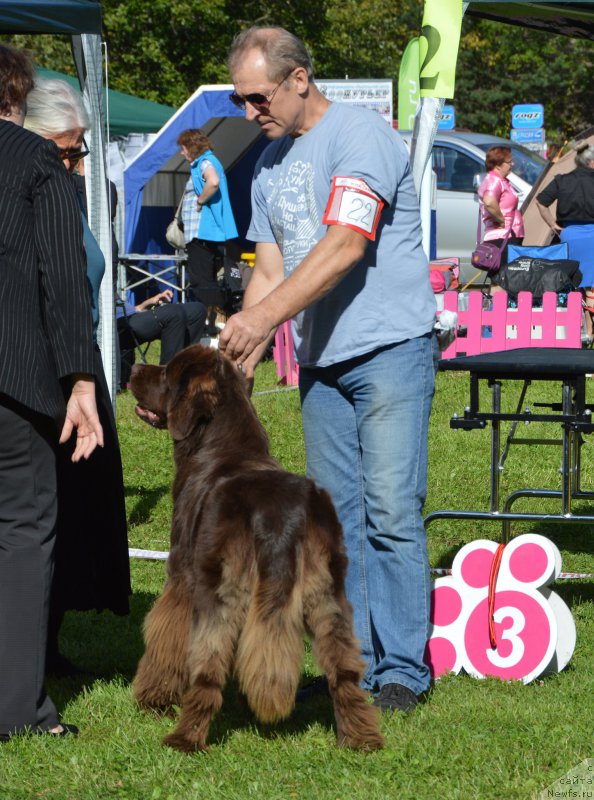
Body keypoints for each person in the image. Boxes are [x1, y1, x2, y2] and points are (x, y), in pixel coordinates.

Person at [220, 27, 438, 713]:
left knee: (393, 512)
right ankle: (354, 665)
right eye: (240, 99)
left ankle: (403, 668)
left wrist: (263, 320)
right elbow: (272, 267)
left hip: (390, 349)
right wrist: (237, 361)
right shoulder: (268, 163)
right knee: (336, 524)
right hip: (322, 362)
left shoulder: (360, 137)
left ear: (300, 79)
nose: (249, 111)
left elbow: (345, 245)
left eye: (258, 97)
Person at [0, 45, 103, 739]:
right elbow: (63, 280)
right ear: (19, 95)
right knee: (22, 532)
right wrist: (82, 382)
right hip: (14, 379)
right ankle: (19, 712)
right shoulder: (35, 160)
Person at [24, 77, 132, 676]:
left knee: (76, 510)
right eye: (65, 149)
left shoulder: (66, 192)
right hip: (44, 370)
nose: (75, 162)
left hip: (79, 361)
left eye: (79, 149)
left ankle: (49, 637)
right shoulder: (28, 191)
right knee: (41, 509)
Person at [176, 128, 239, 333]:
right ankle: (214, 321)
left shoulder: (205, 162)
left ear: (192, 148)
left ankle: (213, 321)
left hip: (203, 233)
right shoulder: (206, 161)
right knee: (207, 278)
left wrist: (201, 200)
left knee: (201, 280)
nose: (181, 153)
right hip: (203, 233)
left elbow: (213, 181)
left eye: (183, 148)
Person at [536, 142, 594, 335]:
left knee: (576, 283)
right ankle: (591, 328)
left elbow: (541, 202)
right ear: (592, 161)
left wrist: (553, 225)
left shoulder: (562, 180)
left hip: (570, 236)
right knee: (592, 285)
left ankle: (579, 328)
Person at [116, 288, 207, 381]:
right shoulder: (105, 283)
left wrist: (147, 303)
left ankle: (187, 374)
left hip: (132, 316)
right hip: (118, 327)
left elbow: (134, 309)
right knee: (173, 313)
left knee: (197, 310)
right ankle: (167, 381)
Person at [477, 145, 524, 267]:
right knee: (502, 277)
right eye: (509, 162)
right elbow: (489, 201)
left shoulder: (500, 180)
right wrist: (501, 220)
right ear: (498, 165)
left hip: (507, 235)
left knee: (505, 277)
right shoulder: (494, 180)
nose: (512, 164)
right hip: (501, 237)